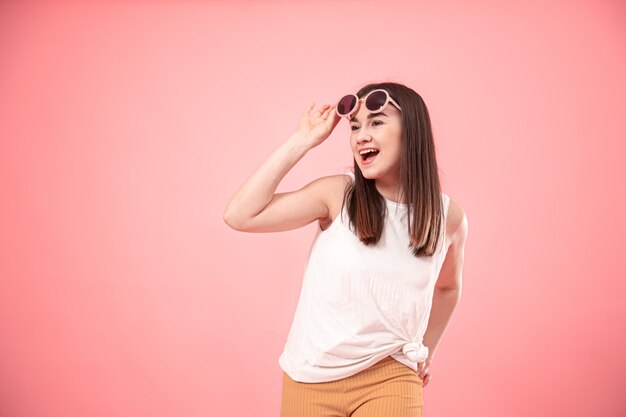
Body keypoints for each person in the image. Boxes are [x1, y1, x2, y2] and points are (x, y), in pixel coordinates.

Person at [223, 82, 468, 417]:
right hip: (311, 378)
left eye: (376, 122)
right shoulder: (339, 195)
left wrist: (427, 349)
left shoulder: (447, 218)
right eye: (355, 126)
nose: (360, 135)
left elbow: (449, 287)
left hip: (390, 375)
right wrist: (303, 141)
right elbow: (240, 215)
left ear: (412, 130)